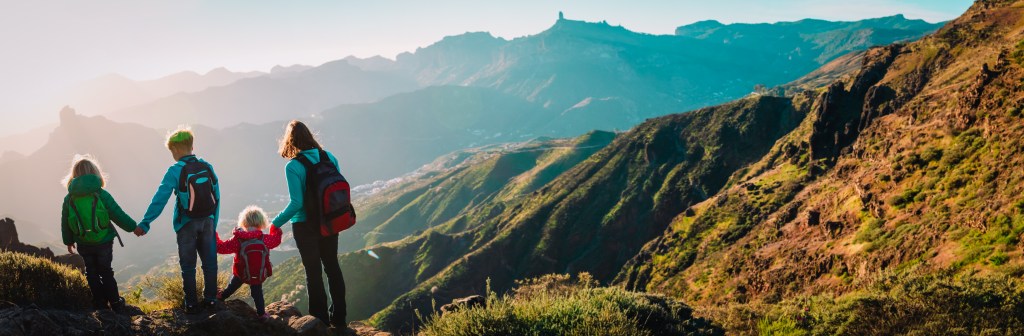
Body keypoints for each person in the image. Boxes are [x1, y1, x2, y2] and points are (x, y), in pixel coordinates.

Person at [134, 127, 221, 314]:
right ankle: (211, 300)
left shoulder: (174, 170)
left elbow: (160, 199)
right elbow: (217, 196)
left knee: (188, 267)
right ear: (192, 146)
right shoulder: (207, 166)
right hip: (208, 221)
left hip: (185, 224)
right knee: (210, 264)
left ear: (174, 149)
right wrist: (213, 223)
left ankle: (191, 304)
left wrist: (146, 222)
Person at [271, 120, 347, 328]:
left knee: (313, 272)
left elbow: (297, 203)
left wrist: (276, 223)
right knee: (332, 267)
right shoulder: (329, 157)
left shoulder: (293, 166)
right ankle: (339, 319)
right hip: (330, 221)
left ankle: (319, 322)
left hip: (305, 226)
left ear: (290, 141)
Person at [60, 155, 137, 312]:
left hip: (83, 242)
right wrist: (134, 227)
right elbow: (117, 214)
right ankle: (115, 303)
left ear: (74, 175)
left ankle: (100, 304)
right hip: (104, 242)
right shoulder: (101, 194)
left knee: (91, 273)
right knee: (106, 272)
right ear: (95, 173)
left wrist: (68, 241)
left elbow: (65, 222)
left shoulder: (69, 198)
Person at [215, 205, 282, 321]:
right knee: (257, 293)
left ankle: (221, 297)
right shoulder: (265, 239)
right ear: (261, 222)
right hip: (258, 273)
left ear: (244, 222)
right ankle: (261, 314)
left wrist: (214, 235)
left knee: (232, 286)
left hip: (241, 273)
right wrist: (275, 229)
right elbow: (276, 240)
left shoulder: (238, 239)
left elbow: (221, 248)